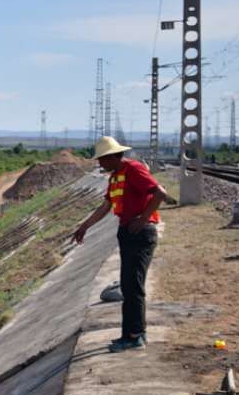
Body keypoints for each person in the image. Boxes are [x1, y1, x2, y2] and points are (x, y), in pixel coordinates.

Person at [72, 136, 168, 351]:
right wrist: (84, 226)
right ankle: (130, 334)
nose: (100, 164)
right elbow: (106, 206)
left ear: (114, 156)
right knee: (127, 286)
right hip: (127, 233)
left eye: (102, 159)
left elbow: (160, 193)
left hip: (140, 234)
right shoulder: (116, 177)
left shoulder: (133, 169)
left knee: (133, 287)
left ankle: (135, 337)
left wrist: (143, 219)